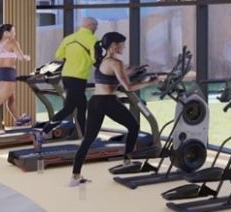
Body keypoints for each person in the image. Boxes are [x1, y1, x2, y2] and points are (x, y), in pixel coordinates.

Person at [68, 31, 152, 186]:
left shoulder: (102, 61)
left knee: (88, 139)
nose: (124, 47)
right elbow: (128, 87)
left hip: (95, 102)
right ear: (114, 45)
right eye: (122, 45)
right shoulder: (116, 63)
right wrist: (151, 82)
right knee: (133, 127)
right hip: (108, 101)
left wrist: (135, 70)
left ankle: (75, 177)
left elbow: (115, 74)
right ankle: (127, 161)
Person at [38, 16, 98, 134]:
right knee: (68, 108)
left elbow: (59, 55)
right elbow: (95, 59)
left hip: (66, 76)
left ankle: (82, 134)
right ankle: (44, 132)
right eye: (96, 26)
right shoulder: (93, 40)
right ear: (91, 26)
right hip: (79, 77)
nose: (96, 29)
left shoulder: (68, 38)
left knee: (82, 106)